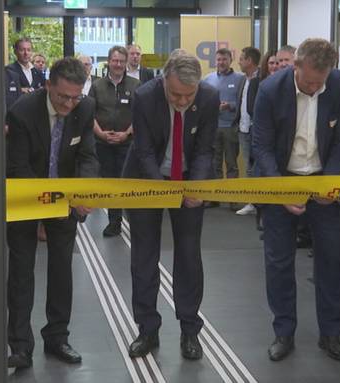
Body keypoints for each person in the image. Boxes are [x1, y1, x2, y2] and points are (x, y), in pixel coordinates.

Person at [252, 38, 340, 362]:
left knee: (332, 259)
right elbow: (262, 146)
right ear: (295, 66)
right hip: (282, 177)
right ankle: (284, 332)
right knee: (279, 261)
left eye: (320, 81)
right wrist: (281, 190)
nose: (314, 87)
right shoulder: (270, 90)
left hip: (322, 181)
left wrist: (331, 181)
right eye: (309, 80)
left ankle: (331, 334)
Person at [121, 49, 218, 361]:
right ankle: (147, 328)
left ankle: (190, 329)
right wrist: (161, 190)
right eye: (175, 94)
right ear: (164, 80)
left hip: (189, 178)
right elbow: (144, 150)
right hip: (147, 179)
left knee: (189, 255)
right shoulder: (145, 97)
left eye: (188, 95)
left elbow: (205, 149)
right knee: (143, 256)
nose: (182, 101)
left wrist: (197, 185)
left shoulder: (209, 98)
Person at [5, 57, 98, 369]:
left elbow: (86, 155)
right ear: (48, 86)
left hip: (65, 201)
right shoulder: (21, 112)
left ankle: (57, 337)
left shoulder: (84, 108)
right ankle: (20, 346)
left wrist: (84, 191)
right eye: (62, 97)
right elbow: (17, 167)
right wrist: (55, 200)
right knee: (21, 271)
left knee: (61, 270)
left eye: (75, 97)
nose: (69, 104)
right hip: (26, 195)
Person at [89, 46, 140, 237]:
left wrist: (126, 133)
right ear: (108, 62)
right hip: (103, 143)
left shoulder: (136, 85)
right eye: (114, 60)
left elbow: (141, 115)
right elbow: (90, 115)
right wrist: (101, 134)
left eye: (121, 61)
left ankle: (134, 222)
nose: (118, 64)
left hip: (128, 143)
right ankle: (114, 222)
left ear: (126, 62)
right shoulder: (97, 86)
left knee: (127, 183)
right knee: (110, 184)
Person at [203, 48, 244, 208]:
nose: (221, 62)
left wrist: (230, 106)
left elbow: (242, 102)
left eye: (224, 59)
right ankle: (214, 198)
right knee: (214, 164)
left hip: (231, 127)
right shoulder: (208, 79)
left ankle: (233, 200)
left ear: (230, 60)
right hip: (213, 127)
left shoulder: (240, 79)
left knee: (232, 165)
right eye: (218, 59)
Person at [233, 46, 261, 216]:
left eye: (242, 58)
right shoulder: (244, 79)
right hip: (242, 128)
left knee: (256, 167)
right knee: (249, 167)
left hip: (255, 129)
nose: (239, 62)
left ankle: (257, 202)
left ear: (250, 61)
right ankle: (252, 202)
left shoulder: (261, 80)